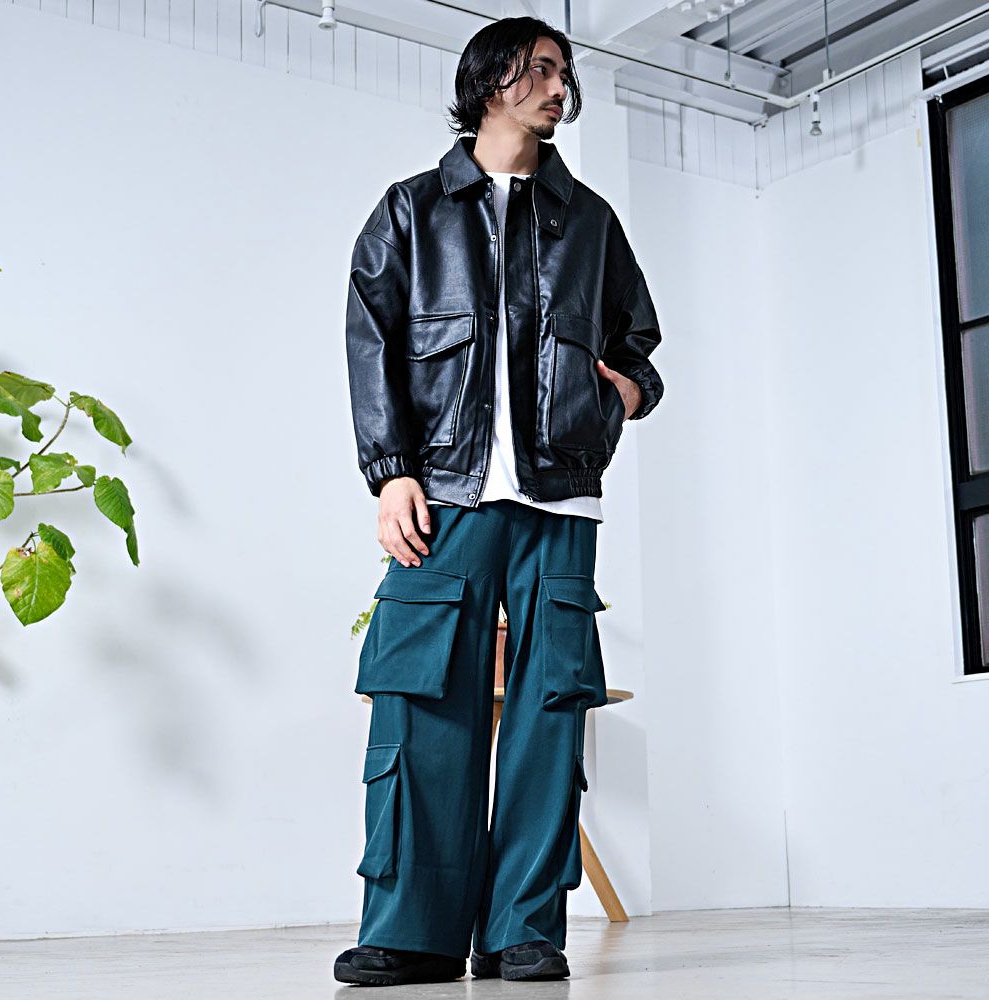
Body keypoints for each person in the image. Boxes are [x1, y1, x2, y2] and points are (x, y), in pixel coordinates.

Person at [336, 14, 663, 987]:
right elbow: (370, 343)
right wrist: (392, 469)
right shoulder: (411, 211)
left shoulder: (589, 221)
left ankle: (524, 928)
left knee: (546, 716)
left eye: (565, 73)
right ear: (490, 82)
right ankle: (412, 932)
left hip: (560, 501)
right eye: (543, 70)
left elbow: (638, 344)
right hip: (444, 492)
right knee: (420, 704)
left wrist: (618, 395)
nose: (560, 88)